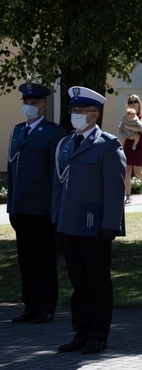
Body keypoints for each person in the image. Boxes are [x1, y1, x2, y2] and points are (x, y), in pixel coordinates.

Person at [53, 86, 126, 355]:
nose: (76, 115)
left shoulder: (107, 145)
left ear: (95, 115)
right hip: (69, 224)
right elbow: (58, 186)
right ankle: (80, 332)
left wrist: (110, 225)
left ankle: (98, 334)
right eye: (73, 110)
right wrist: (56, 219)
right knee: (78, 282)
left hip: (94, 225)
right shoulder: (65, 143)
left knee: (97, 282)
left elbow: (115, 189)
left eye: (81, 111)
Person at [7, 83, 67, 325]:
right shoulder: (17, 131)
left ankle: (46, 306)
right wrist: (11, 205)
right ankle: (29, 305)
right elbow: (12, 172)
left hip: (42, 209)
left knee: (44, 259)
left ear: (44, 104)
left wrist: (54, 209)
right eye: (25, 102)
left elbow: (57, 175)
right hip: (21, 207)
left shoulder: (54, 133)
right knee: (26, 259)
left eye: (33, 103)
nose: (28, 106)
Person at [122, 94, 142, 204]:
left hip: (137, 146)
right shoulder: (126, 116)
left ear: (139, 103)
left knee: (138, 172)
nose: (133, 104)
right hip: (127, 144)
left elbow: (141, 129)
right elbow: (121, 129)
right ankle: (128, 196)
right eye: (130, 102)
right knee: (127, 170)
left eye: (135, 101)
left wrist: (127, 127)